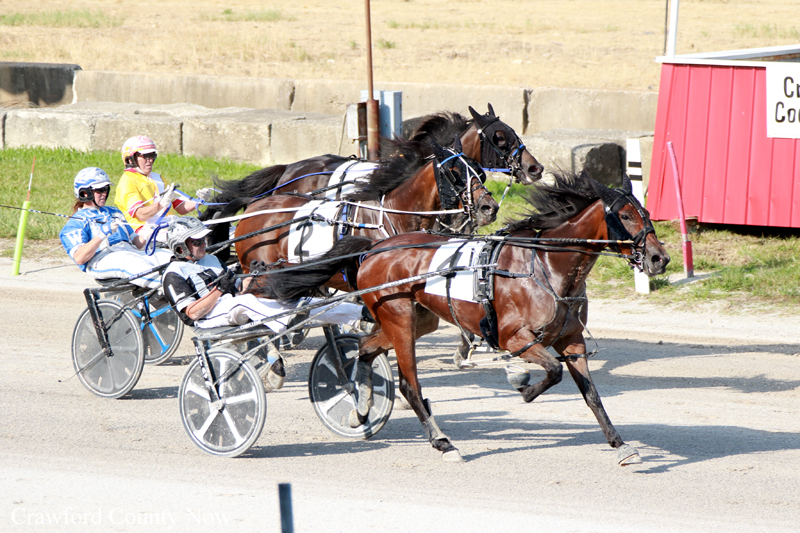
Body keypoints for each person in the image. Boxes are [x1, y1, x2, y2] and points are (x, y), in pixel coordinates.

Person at [160, 217, 364, 390]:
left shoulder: (212, 259)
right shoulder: (174, 273)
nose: (204, 243)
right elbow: (192, 313)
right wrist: (219, 290)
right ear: (180, 247)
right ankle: (286, 321)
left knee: (298, 301)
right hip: (208, 318)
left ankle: (358, 313)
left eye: (203, 239)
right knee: (248, 301)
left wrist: (253, 275)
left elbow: (239, 288)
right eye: (197, 242)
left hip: (234, 305)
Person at [59, 167, 173, 288]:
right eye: (99, 190)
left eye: (106, 189)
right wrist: (102, 234)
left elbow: (136, 243)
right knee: (131, 261)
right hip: (101, 260)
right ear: (84, 193)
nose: (104, 193)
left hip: (129, 251)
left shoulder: (114, 212)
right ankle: (171, 287)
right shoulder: (76, 222)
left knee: (167, 257)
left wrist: (148, 234)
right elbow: (80, 258)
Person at [114, 135, 214, 242]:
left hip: (170, 225)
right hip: (145, 232)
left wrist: (198, 201)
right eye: (145, 156)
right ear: (130, 160)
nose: (150, 160)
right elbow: (141, 214)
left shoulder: (158, 178)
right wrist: (162, 204)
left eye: (152, 155)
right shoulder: (127, 181)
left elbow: (179, 207)